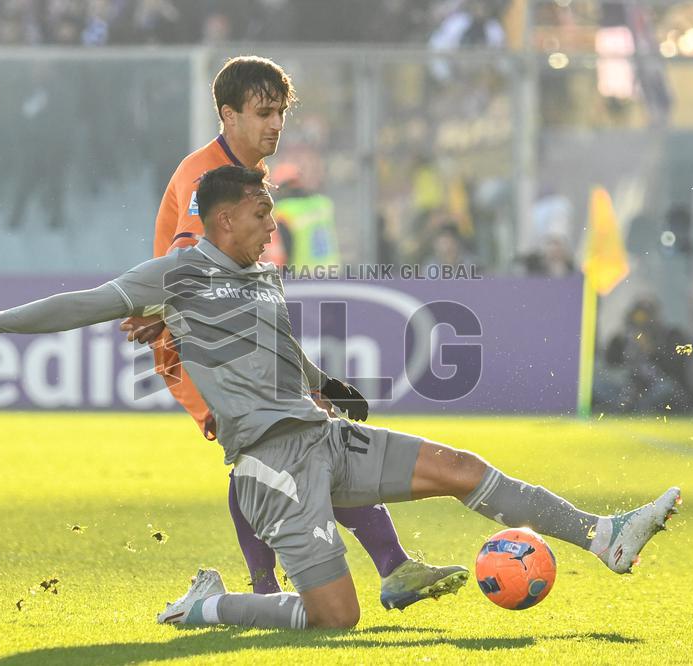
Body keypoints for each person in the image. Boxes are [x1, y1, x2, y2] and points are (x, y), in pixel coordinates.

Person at [0, 165, 682, 630]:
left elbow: (277, 349)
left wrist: (324, 384)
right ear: (221, 219)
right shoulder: (176, 274)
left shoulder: (261, 274)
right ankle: (210, 605)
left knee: (461, 467)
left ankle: (602, 535)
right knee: (335, 618)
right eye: (260, 213)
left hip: (317, 433)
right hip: (271, 461)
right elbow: (79, 304)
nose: (271, 224)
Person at [119, 56, 467, 609]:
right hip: (198, 344)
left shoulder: (249, 174)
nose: (276, 123)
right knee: (276, 449)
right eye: (263, 112)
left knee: (303, 443)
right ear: (228, 116)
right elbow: (188, 256)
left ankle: (367, 572)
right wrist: (160, 311)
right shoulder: (204, 177)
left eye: (280, 111)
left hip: (235, 331)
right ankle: (283, 591)